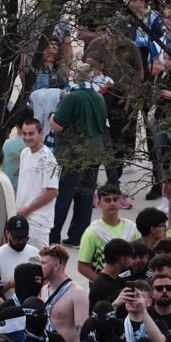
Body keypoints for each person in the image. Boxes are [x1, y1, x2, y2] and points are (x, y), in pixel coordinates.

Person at [49, 62, 107, 246]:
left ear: (76, 77)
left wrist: (51, 116)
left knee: (64, 196)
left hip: (73, 154)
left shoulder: (72, 98)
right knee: (86, 195)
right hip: (94, 152)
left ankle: (53, 235)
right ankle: (78, 237)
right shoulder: (99, 98)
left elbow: (57, 125)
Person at [77, 184, 139, 281]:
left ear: (120, 201)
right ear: (98, 202)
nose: (112, 203)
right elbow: (82, 266)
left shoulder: (132, 229)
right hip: (103, 293)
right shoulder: (92, 232)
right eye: (107, 200)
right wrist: (103, 284)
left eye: (115, 199)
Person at [14, 118, 59, 249]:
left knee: (37, 262)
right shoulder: (24, 153)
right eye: (24, 133)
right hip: (21, 217)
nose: (27, 137)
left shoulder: (49, 159)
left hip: (38, 222)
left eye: (31, 133)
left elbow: (53, 192)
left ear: (41, 133)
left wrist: (27, 209)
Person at [39, 244, 89, 342]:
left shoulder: (77, 293)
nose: (40, 267)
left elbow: (82, 331)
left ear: (56, 266)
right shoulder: (44, 290)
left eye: (43, 263)